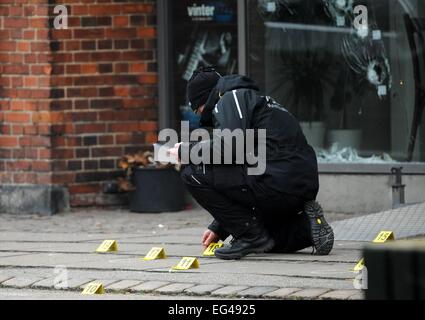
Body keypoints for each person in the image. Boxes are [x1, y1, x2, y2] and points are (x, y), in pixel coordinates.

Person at [168, 66, 334, 260]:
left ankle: (249, 236)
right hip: (296, 183)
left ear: (206, 98)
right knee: (265, 241)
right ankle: (306, 228)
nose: (199, 115)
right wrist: (219, 227)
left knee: (192, 171)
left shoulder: (229, 99)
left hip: (275, 178)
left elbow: (230, 149)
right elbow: (239, 168)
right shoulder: (257, 101)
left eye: (197, 109)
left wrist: (184, 151)